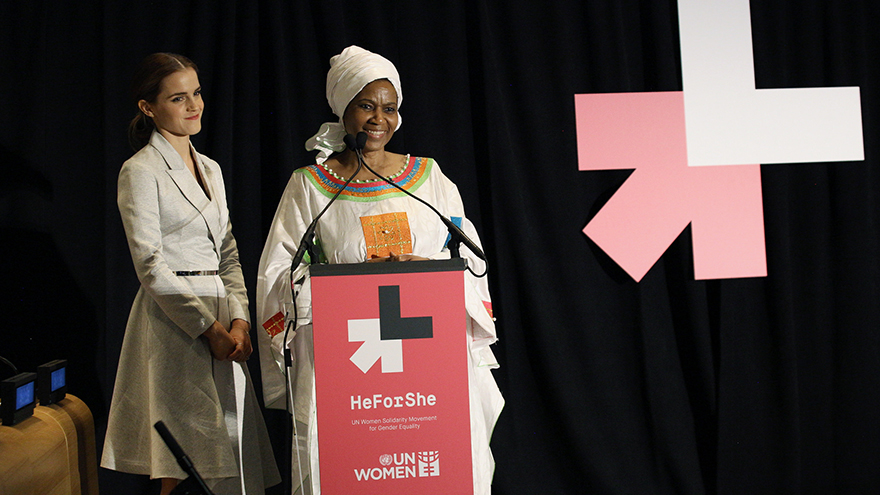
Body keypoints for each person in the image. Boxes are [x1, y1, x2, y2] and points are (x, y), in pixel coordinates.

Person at [256, 45, 504, 494]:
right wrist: (342, 284)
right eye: (366, 106)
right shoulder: (310, 187)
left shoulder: (430, 177)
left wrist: (426, 272)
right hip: (349, 365)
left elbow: (469, 260)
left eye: (389, 108)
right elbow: (277, 275)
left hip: (429, 363)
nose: (379, 119)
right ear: (343, 110)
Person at [101, 52, 280, 495]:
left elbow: (229, 253)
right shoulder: (140, 171)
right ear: (149, 107)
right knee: (179, 458)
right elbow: (150, 266)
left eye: (196, 93)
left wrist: (238, 319)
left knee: (232, 449)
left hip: (222, 312)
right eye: (178, 98)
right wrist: (208, 328)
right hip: (174, 323)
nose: (193, 105)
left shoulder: (212, 169)